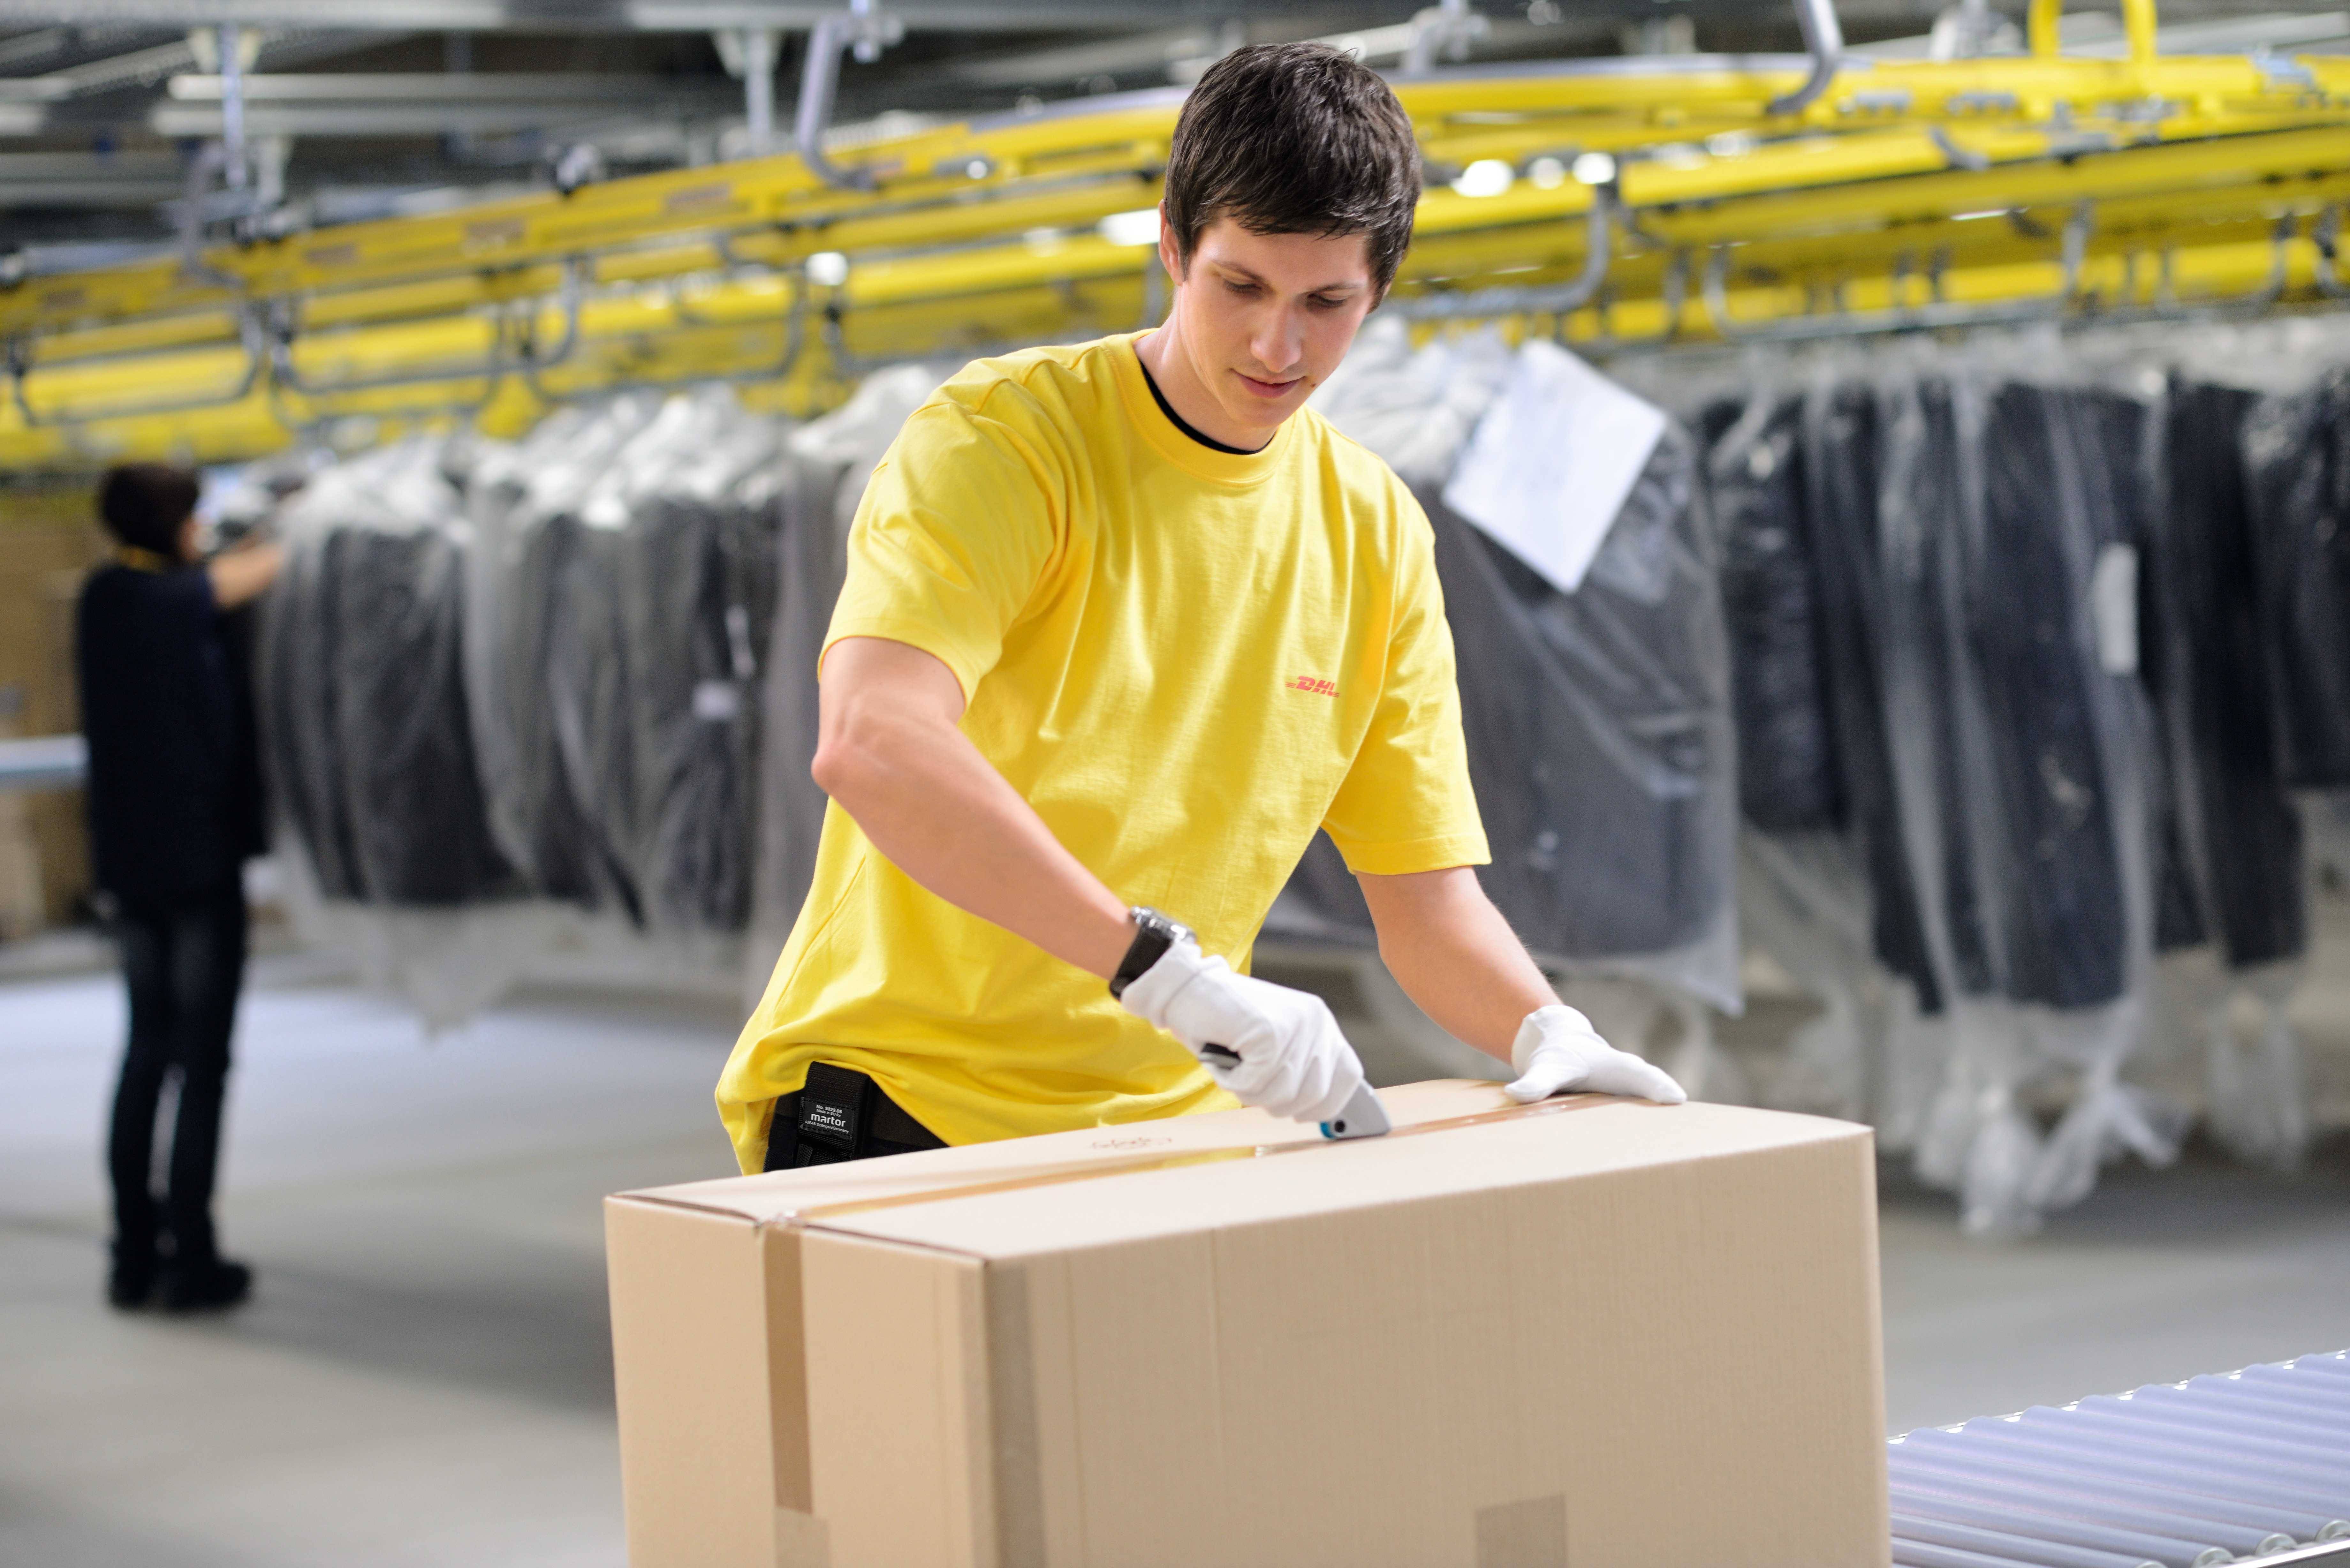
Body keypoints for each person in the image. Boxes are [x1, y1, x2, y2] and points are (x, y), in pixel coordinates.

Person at [718, 42, 1684, 1173]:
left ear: (1379, 290)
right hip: (898, 1105)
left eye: (1327, 303)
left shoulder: (1375, 534)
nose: (1280, 347)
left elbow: (1426, 902)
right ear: (1173, 247)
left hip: (1167, 1126)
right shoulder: (1003, 443)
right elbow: (873, 740)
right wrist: (1165, 975)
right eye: (1242, 288)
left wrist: (1543, 1028)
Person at [76, 463, 283, 1311]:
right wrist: (301, 527)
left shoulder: (101, 599)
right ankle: (189, 1255)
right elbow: (236, 580)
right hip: (195, 869)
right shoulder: (154, 598)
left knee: (147, 1051)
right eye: (191, 517)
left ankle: (133, 1251)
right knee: (201, 1063)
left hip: (131, 870)